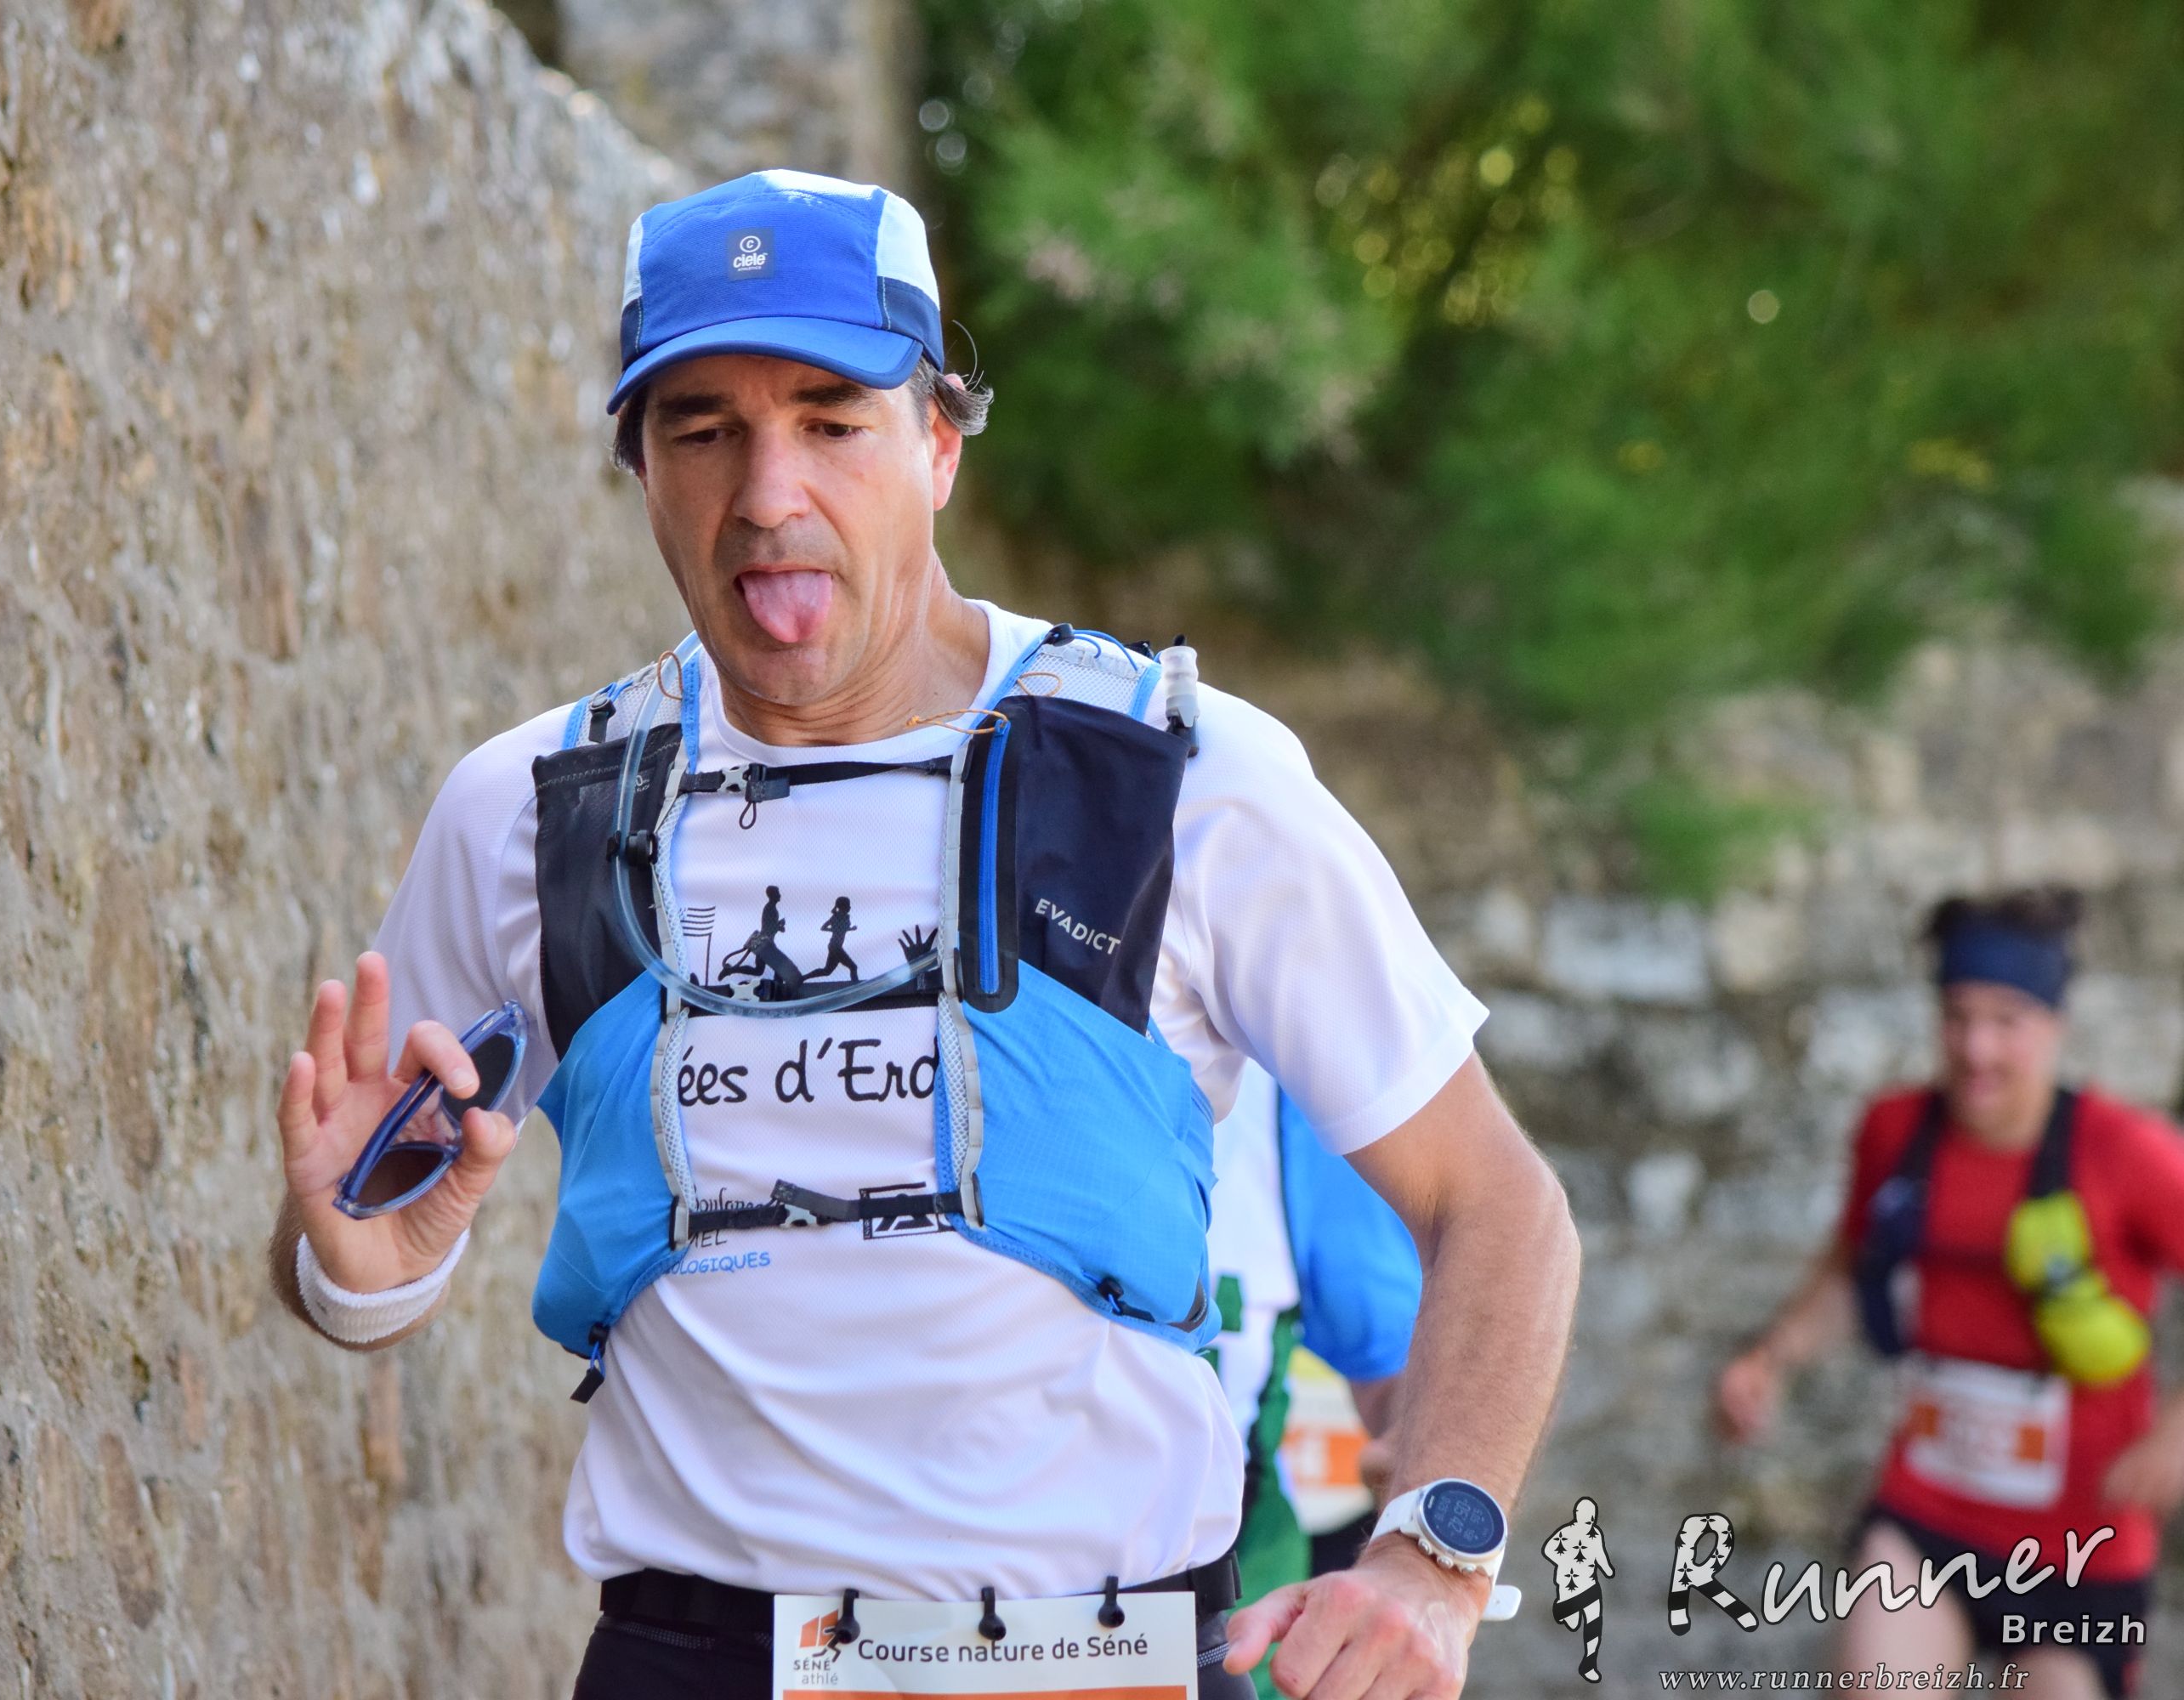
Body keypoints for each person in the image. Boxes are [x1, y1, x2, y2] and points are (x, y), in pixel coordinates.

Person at [264, 167, 1580, 1700]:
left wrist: (1432, 1558)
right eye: (703, 431)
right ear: (640, 468)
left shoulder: (1186, 781)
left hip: (1104, 1663)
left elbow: (1496, 1204)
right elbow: (347, 1264)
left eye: (833, 423)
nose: (769, 494)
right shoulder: (531, 810)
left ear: (940, 444)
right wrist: (359, 1269)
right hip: (699, 1664)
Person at [1715, 887, 2184, 1698]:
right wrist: (1770, 1358)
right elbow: (1850, 1271)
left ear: (2055, 1024)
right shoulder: (1895, 1130)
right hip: (1930, 1510)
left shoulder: (2126, 1151)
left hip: (2082, 1542)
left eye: (2007, 1021)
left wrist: (2177, 1434)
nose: (1977, 1048)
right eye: (1958, 1017)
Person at [1206, 1058, 1422, 1696]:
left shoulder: (1288, 1071)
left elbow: (1401, 1378)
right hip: (961, 1624)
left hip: (1232, 1632)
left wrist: (1426, 1540)